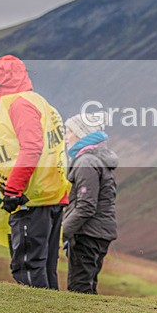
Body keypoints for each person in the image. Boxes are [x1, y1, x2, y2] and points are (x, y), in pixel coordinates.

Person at [0, 55, 70, 289]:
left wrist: (13, 190)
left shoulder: (19, 104)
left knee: (28, 265)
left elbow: (31, 148)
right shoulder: (40, 102)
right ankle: (52, 311)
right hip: (50, 193)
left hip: (31, 197)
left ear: (7, 80)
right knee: (45, 264)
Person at [62, 112, 118, 294]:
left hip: (87, 233)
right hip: (99, 232)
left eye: (68, 131)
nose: (65, 137)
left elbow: (86, 206)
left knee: (80, 286)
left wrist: (62, 232)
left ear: (80, 134)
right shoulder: (97, 159)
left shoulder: (86, 161)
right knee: (88, 283)